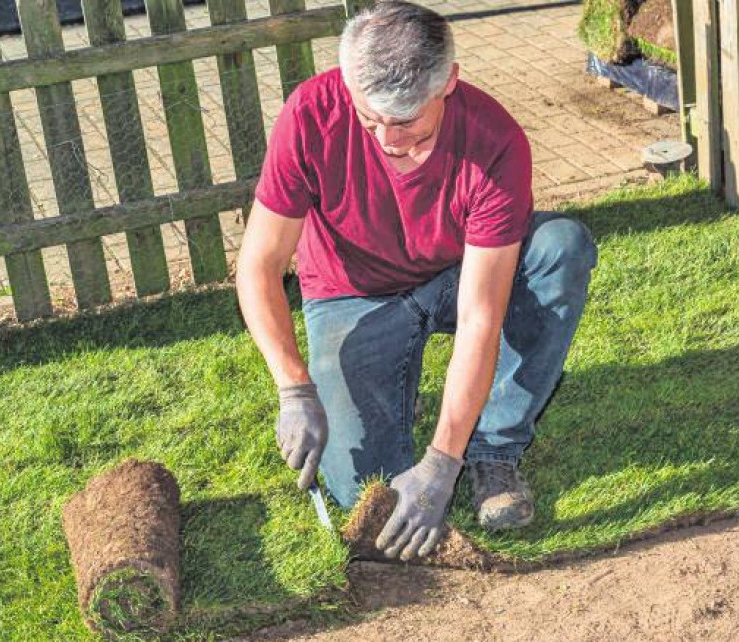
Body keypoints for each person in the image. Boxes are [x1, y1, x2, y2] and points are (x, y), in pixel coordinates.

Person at [235, 0, 598, 562]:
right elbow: (258, 264)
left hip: (456, 275)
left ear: (448, 83)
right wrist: (294, 388)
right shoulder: (311, 113)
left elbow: (481, 318)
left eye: (405, 122)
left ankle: (491, 450)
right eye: (369, 118)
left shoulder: (494, 140)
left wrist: (441, 465)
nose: (385, 139)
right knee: (364, 493)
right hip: (351, 293)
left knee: (559, 247)